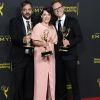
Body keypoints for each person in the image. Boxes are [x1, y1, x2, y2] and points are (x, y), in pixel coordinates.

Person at [52, 1, 83, 100]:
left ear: (63, 8)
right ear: (53, 12)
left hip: (70, 56)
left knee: (73, 81)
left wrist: (69, 42)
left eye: (59, 7)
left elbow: (79, 37)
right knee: (60, 82)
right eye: (55, 9)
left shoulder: (72, 21)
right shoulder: (53, 23)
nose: (57, 10)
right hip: (58, 57)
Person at [9, 1, 37, 100]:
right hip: (19, 58)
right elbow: (13, 38)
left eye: (29, 9)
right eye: (25, 10)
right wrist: (23, 39)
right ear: (21, 11)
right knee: (19, 86)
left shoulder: (36, 21)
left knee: (29, 86)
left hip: (32, 59)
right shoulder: (14, 21)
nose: (27, 12)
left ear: (32, 10)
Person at [31, 7, 58, 100]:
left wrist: (48, 44)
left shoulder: (52, 27)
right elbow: (34, 42)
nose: (47, 17)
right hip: (40, 56)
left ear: (51, 16)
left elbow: (54, 41)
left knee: (51, 79)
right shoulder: (37, 26)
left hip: (51, 55)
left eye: (49, 14)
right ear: (41, 16)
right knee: (40, 80)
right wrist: (43, 43)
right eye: (44, 14)